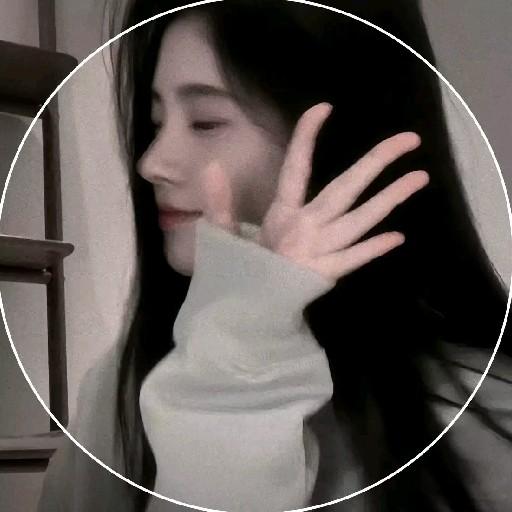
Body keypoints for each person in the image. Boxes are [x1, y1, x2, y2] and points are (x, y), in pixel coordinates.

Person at [37, 1, 512, 511]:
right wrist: (236, 353)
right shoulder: (123, 386)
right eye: (156, 122)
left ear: (342, 140)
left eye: (205, 122)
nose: (152, 163)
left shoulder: (480, 412)